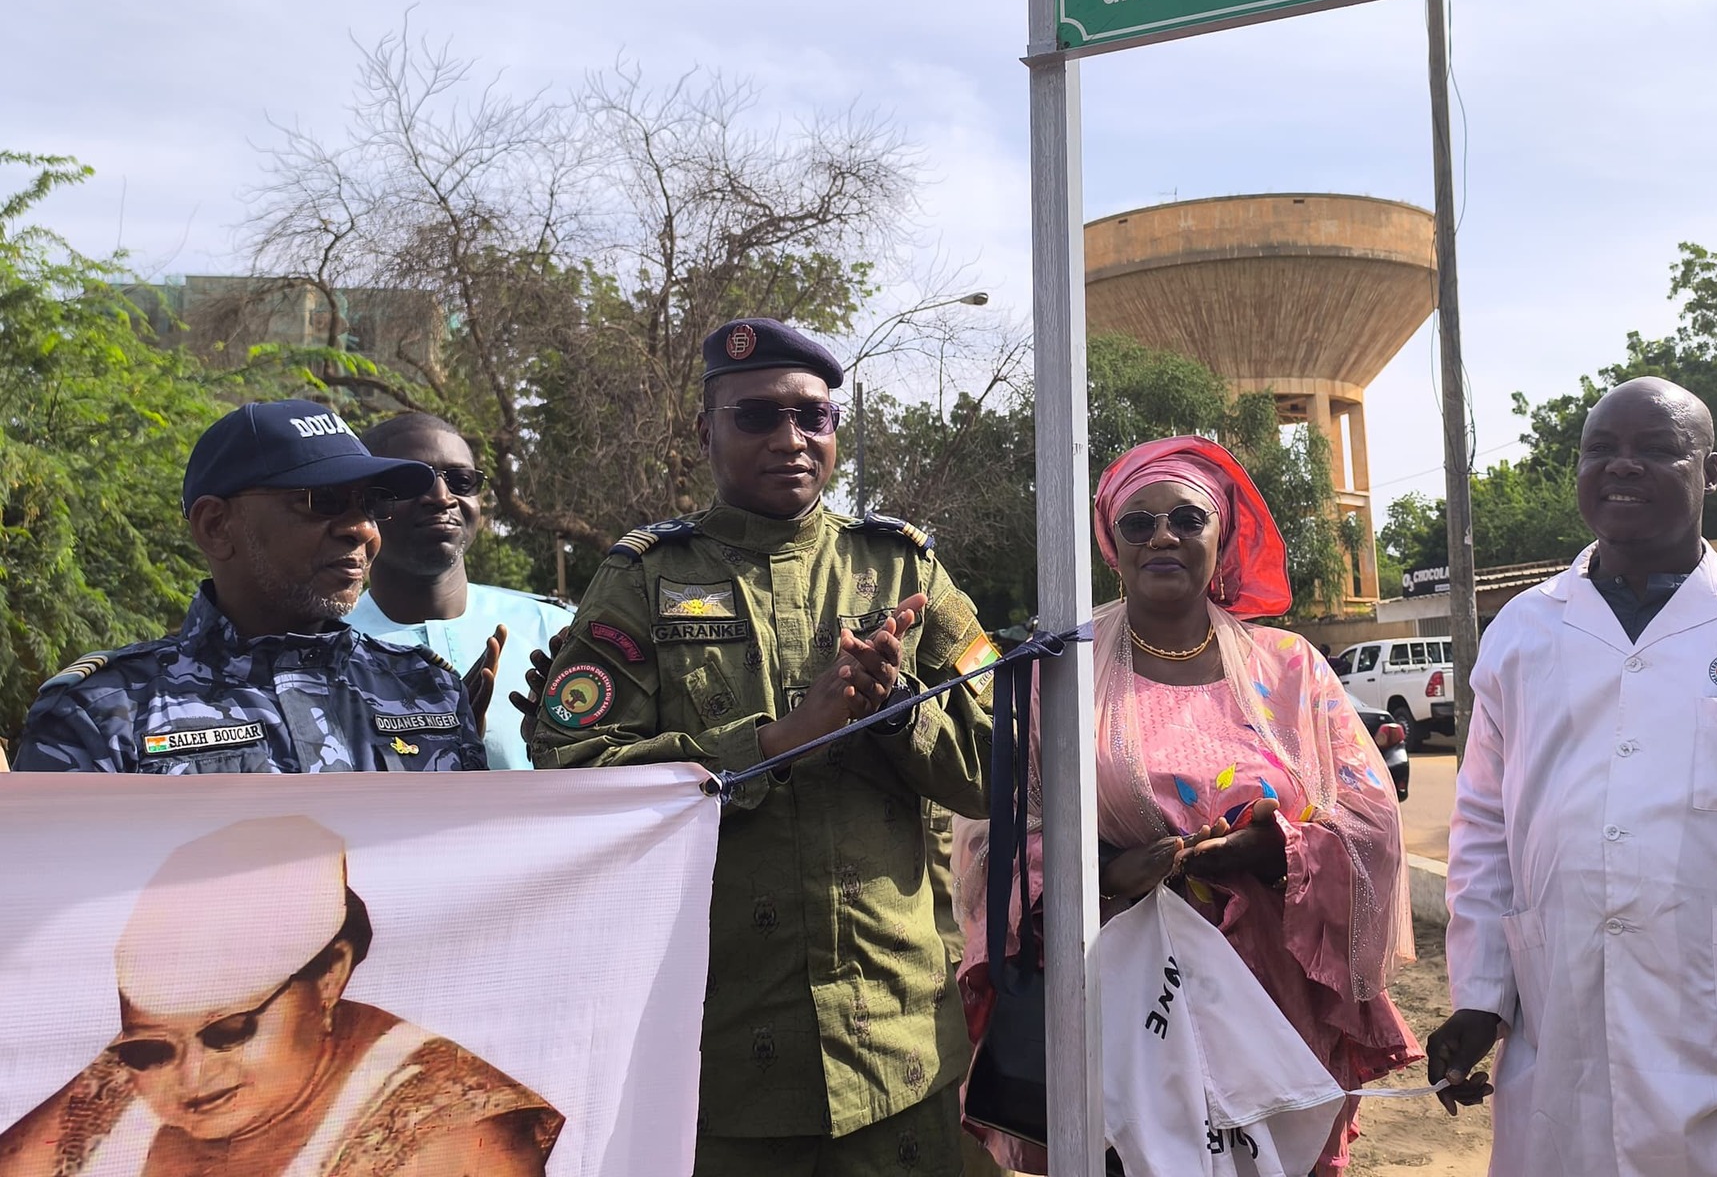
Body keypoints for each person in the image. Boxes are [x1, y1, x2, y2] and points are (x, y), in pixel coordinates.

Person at [527, 318, 996, 1177]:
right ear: (707, 432)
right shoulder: (645, 578)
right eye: (756, 418)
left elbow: (1005, 766)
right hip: (718, 1055)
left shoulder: (901, 570)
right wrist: (775, 742)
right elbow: (569, 773)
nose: (790, 439)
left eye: (812, 418)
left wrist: (896, 714)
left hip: (896, 1050)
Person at [1429, 377, 1717, 1177]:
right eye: (1600, 450)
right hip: (1562, 1040)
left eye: (1656, 449)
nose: (1622, 467)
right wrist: (1480, 993)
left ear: (1710, 471)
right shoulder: (1523, 635)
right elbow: (1484, 832)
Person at [955, 435, 1418, 1175]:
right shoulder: (1060, 674)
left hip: (1269, 1003)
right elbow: (993, 836)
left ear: (1222, 534)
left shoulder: (1289, 667)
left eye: (1186, 519)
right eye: (1139, 523)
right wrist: (1103, 873)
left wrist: (1275, 854)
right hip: (1116, 994)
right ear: (1111, 541)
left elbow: (1369, 824)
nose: (1163, 536)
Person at [0, 816, 561, 1177]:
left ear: (328, 979)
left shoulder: (448, 1133)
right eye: (152, 1050)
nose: (192, 1076)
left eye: (229, 1032)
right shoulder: (123, 1076)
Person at [12, 399, 496, 773]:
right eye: (323, 500)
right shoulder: (102, 714)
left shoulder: (427, 689)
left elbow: (466, 872)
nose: (363, 530)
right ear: (216, 526)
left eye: (372, 504)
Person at [346, 412, 573, 770]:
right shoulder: (318, 650)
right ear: (364, 501)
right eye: (413, 481)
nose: (441, 496)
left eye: (461, 481)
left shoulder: (556, 633)